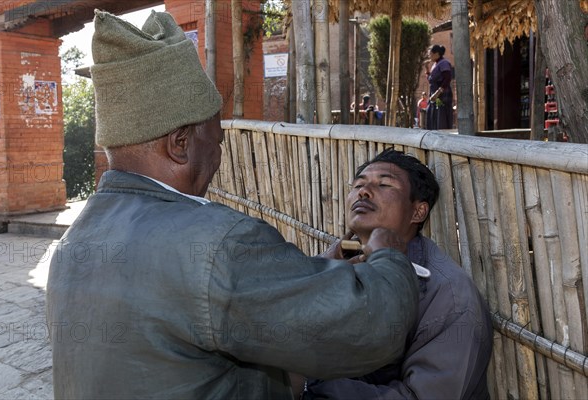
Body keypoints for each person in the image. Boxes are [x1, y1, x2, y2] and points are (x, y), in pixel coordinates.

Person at [46, 10, 422, 400]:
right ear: (180, 145)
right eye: (217, 141)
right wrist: (389, 258)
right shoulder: (217, 243)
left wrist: (311, 276)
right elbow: (372, 329)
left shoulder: (74, 240)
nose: (219, 156)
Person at [301, 149, 493, 399]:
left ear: (418, 212)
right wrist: (319, 274)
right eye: (359, 184)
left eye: (384, 184)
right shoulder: (332, 264)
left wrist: (307, 389)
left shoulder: (448, 295)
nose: (364, 191)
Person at [425, 44, 453, 130]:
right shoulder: (435, 64)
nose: (429, 56)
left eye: (430, 54)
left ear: (436, 54)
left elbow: (447, 78)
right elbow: (431, 79)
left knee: (441, 117)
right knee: (433, 116)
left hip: (441, 95)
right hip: (434, 95)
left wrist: (438, 92)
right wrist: (427, 68)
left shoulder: (444, 63)